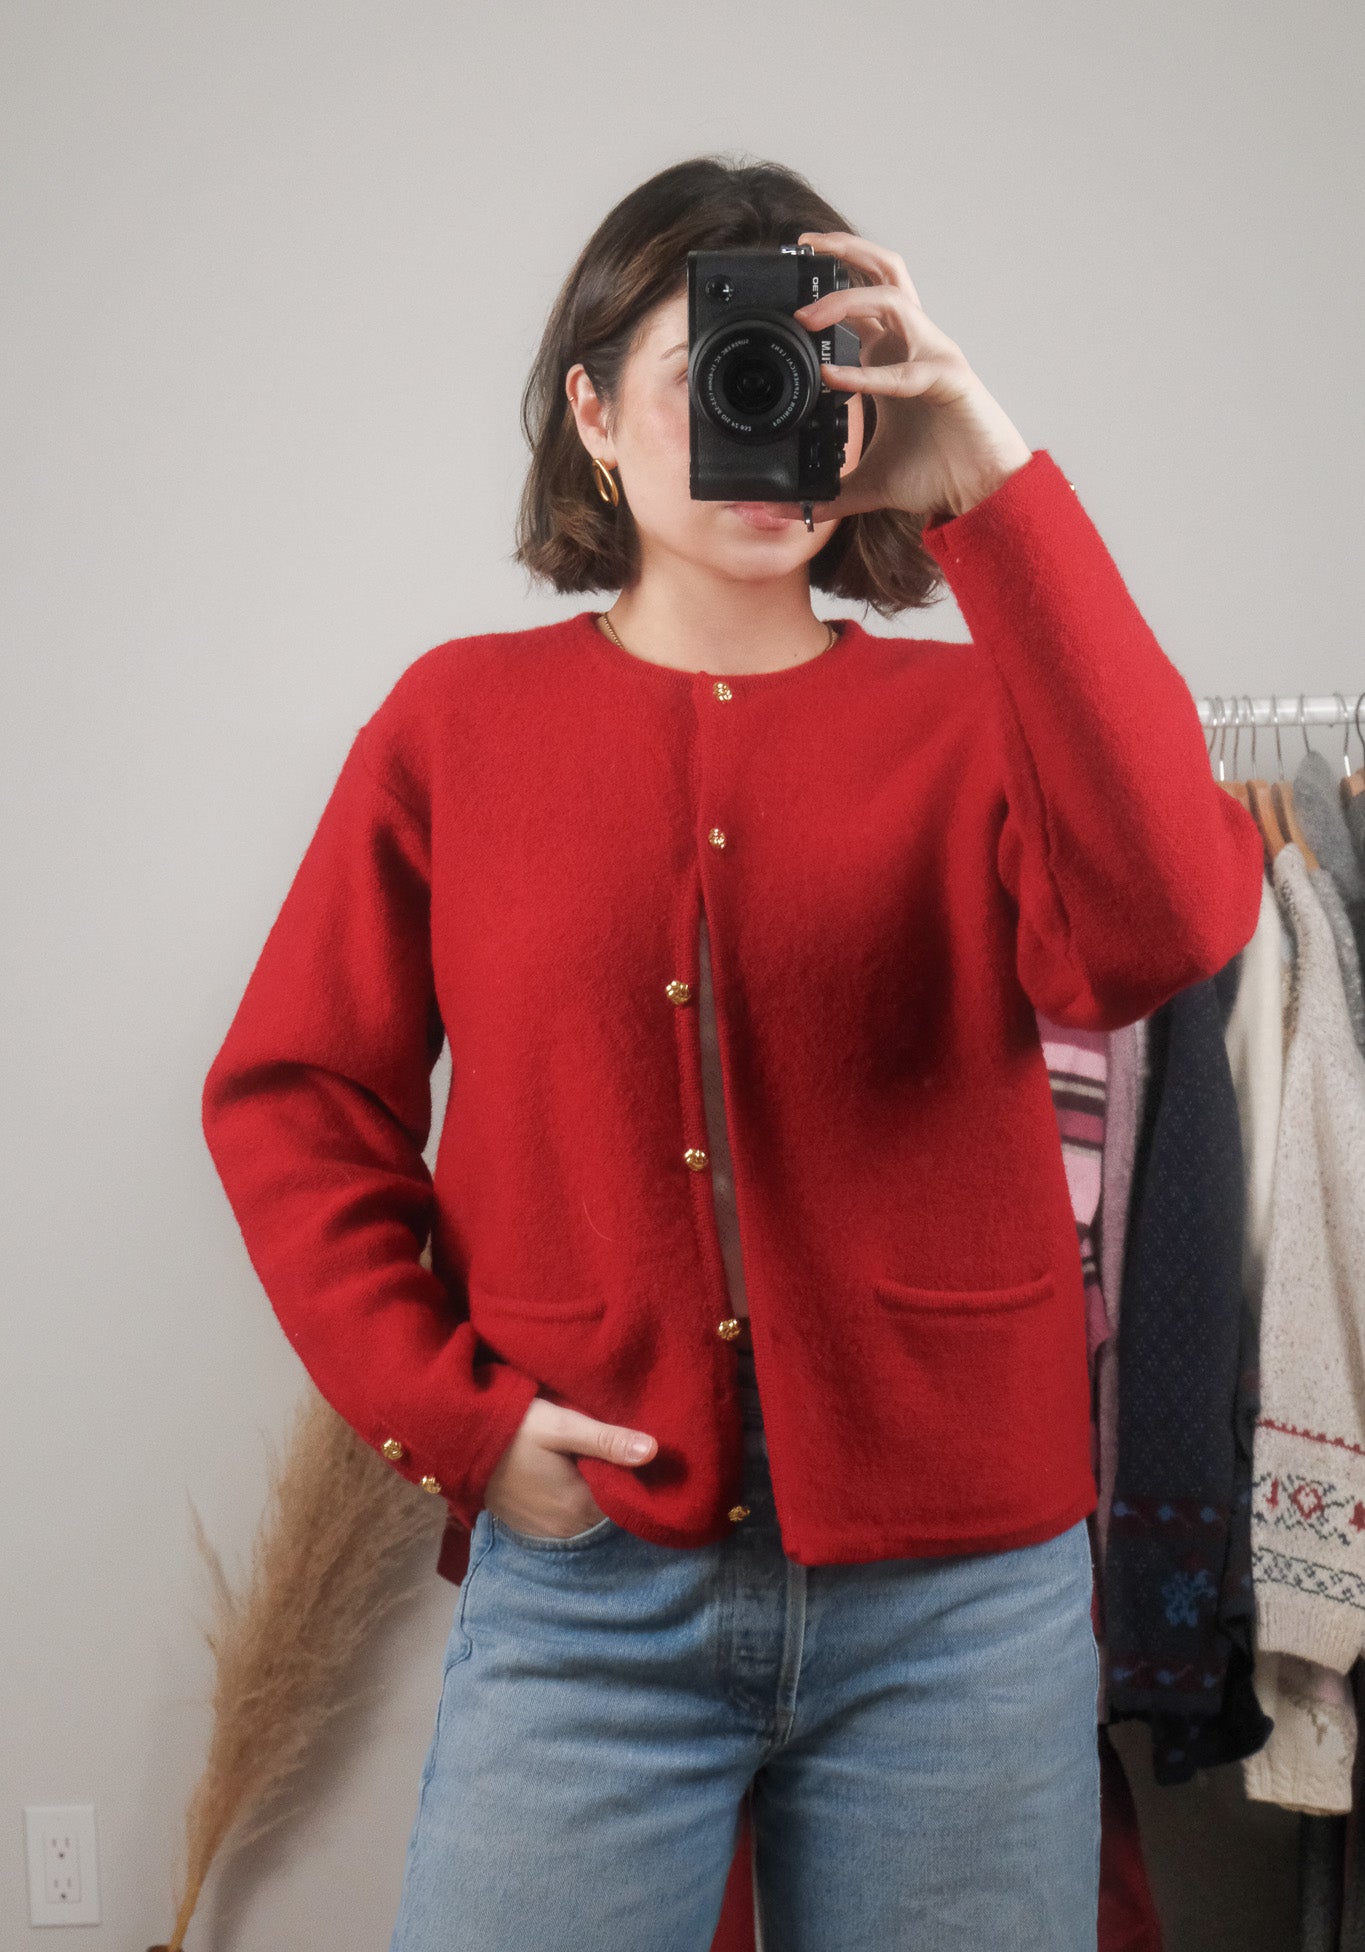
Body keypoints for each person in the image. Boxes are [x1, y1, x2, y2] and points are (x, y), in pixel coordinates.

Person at [201, 155, 1266, 1950]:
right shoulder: (457, 723)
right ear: (591, 418)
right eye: (715, 371)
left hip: (960, 1607)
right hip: (590, 1589)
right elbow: (293, 1099)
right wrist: (459, 1421)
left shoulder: (969, 719)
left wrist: (986, 480)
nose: (769, 411)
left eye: (811, 372)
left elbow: (1169, 919)